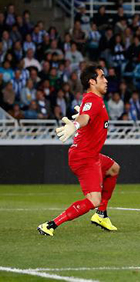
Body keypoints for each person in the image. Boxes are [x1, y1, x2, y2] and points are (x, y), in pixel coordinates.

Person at [38, 66, 120, 236]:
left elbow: (86, 115)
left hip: (90, 154)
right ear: (92, 81)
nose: (106, 80)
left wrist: (81, 117)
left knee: (113, 169)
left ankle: (101, 215)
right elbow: (85, 118)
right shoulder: (94, 100)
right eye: (102, 77)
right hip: (84, 157)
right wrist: (76, 124)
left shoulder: (91, 100)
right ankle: (50, 225)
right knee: (94, 200)